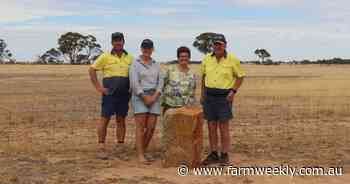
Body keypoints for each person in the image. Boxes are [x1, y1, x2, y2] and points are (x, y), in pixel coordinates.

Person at [200, 34, 246, 165]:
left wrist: (233, 91)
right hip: (209, 96)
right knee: (211, 126)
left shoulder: (233, 59)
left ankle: (224, 154)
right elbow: (203, 77)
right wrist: (202, 94)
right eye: (215, 44)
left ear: (225, 45)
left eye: (220, 44)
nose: (217, 46)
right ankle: (214, 153)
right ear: (212, 46)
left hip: (224, 97)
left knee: (223, 126)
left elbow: (240, 77)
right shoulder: (206, 59)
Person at [88, 32, 133, 159]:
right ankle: (101, 147)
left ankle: (120, 146)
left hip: (124, 95)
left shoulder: (130, 58)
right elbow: (92, 69)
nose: (118, 42)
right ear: (112, 42)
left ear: (124, 41)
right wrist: (99, 88)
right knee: (105, 119)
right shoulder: (105, 56)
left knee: (121, 120)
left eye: (120, 40)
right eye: (115, 40)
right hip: (109, 95)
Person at [129, 39, 163, 164]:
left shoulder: (156, 64)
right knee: (141, 127)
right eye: (145, 48)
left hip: (154, 96)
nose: (147, 50)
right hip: (139, 96)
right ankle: (141, 155)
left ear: (152, 49)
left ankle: (142, 149)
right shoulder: (135, 64)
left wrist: (154, 96)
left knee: (151, 127)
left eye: (149, 48)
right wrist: (144, 96)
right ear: (141, 49)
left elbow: (161, 82)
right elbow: (134, 82)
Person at [162, 46, 196, 112]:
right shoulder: (170, 70)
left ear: (189, 58)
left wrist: (189, 106)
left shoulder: (192, 74)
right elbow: (162, 85)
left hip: (185, 108)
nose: (184, 58)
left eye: (186, 56)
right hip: (169, 106)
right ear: (178, 58)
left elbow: (192, 92)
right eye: (181, 56)